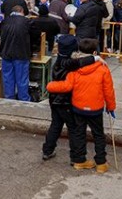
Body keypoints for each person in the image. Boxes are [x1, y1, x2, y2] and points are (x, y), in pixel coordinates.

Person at [46, 38, 116, 173]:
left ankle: (79, 160)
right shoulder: (102, 69)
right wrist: (111, 106)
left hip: (78, 106)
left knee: (78, 133)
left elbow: (67, 86)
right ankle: (101, 162)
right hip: (95, 108)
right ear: (94, 52)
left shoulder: (75, 68)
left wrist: (50, 86)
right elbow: (108, 90)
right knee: (98, 134)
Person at [43, 35, 103, 161]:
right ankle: (76, 157)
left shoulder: (59, 60)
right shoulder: (68, 63)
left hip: (55, 100)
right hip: (65, 101)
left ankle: (47, 150)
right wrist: (95, 58)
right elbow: (79, 62)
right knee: (74, 129)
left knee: (55, 125)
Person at [0, 5, 33, 101]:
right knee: (22, 80)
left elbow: (0, 33)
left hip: (6, 53)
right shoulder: (26, 22)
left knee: (8, 79)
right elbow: (34, 35)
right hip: (21, 53)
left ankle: (9, 99)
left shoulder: (4, 21)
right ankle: (24, 101)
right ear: (21, 11)